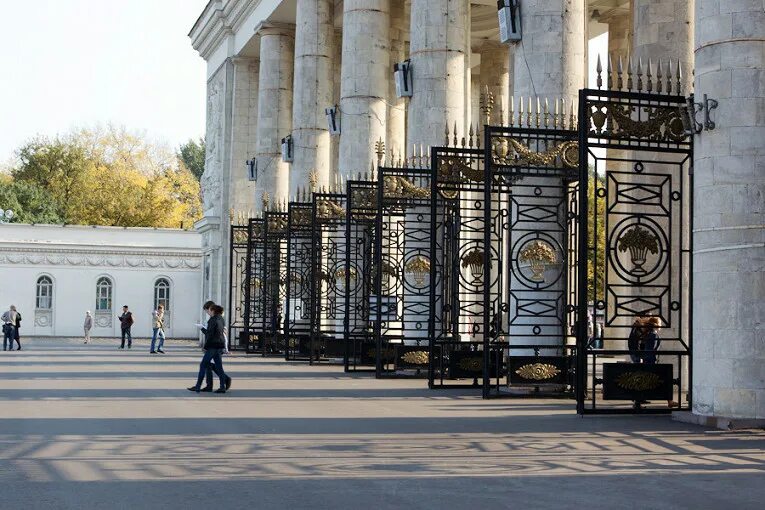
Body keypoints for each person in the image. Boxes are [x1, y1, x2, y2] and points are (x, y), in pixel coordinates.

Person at [188, 304, 231, 393]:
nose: (208, 312)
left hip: (213, 346)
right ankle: (222, 387)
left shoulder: (212, 320)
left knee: (203, 365)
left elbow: (209, 334)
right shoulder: (221, 319)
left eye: (209, 311)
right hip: (220, 345)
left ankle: (198, 386)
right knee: (219, 367)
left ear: (213, 310)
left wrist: (205, 346)